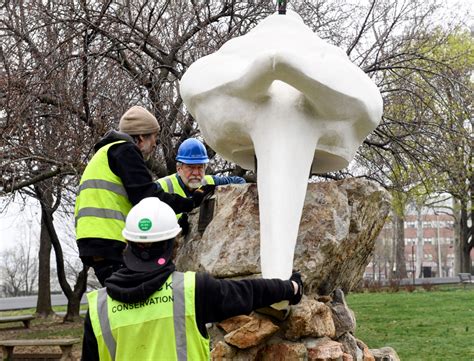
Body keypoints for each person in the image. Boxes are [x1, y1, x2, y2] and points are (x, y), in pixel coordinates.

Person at [82, 197, 303, 361]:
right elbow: (248, 292)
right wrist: (290, 288)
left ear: (127, 244)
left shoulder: (98, 307)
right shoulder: (190, 290)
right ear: (172, 244)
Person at [75, 106, 212, 286]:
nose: (155, 144)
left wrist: (175, 226)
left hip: (94, 239)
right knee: (139, 295)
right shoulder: (124, 151)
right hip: (110, 239)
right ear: (140, 138)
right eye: (154, 136)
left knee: (125, 295)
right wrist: (190, 203)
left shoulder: (105, 153)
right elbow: (147, 198)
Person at [157, 138, 245, 232]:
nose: (196, 173)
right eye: (190, 167)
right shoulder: (161, 186)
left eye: (200, 167)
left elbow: (240, 181)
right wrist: (175, 225)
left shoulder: (210, 182)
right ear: (179, 169)